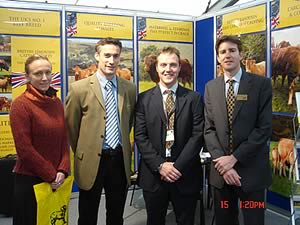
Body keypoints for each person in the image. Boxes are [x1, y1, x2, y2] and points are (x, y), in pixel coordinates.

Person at [65, 37, 136, 225]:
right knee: (87, 215)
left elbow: (127, 123)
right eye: (107, 55)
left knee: (116, 214)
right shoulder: (78, 89)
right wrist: (84, 148)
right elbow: (72, 127)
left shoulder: (129, 89)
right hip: (91, 160)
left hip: (119, 160)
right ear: (97, 56)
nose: (111, 61)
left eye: (116, 56)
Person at [204, 35, 272, 225]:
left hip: (251, 174)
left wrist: (234, 159)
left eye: (232, 50)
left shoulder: (261, 85)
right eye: (223, 52)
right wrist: (224, 166)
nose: (228, 55)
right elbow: (208, 130)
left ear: (241, 54)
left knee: (253, 220)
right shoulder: (211, 87)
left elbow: (264, 128)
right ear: (218, 58)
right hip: (221, 176)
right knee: (225, 219)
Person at [135, 46, 204, 225]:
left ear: (179, 68)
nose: (168, 69)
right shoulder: (143, 99)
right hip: (154, 175)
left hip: (185, 174)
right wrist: (160, 165)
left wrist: (177, 167)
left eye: (173, 65)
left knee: (186, 220)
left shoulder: (194, 98)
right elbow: (140, 136)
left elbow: (197, 136)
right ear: (156, 68)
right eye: (163, 65)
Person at [10, 54, 70, 225]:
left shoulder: (56, 102)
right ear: (27, 76)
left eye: (48, 72)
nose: (44, 78)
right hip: (31, 180)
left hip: (57, 179)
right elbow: (24, 150)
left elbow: (63, 139)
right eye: (38, 74)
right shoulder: (20, 105)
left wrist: (63, 169)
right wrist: (51, 175)